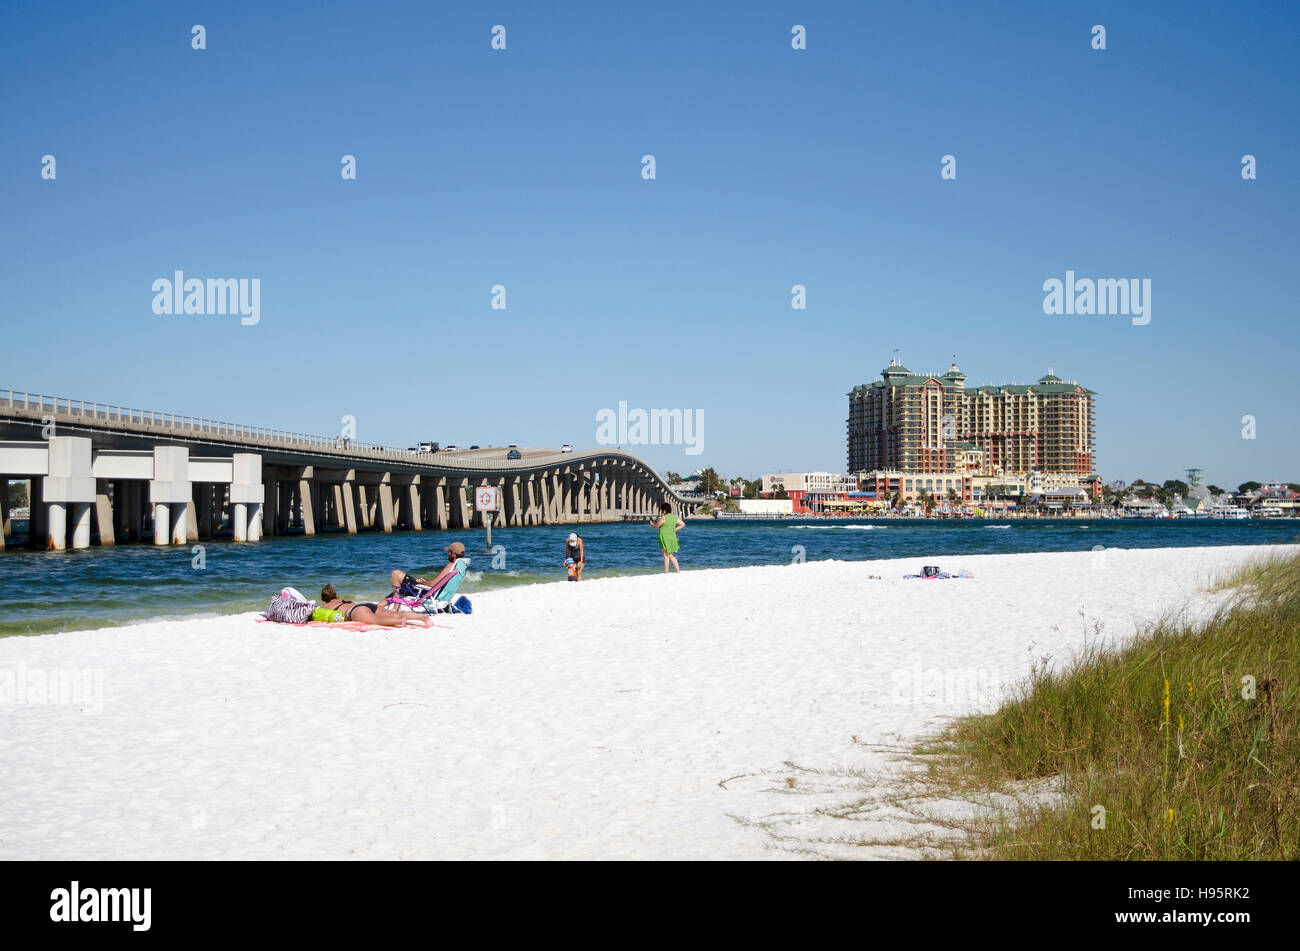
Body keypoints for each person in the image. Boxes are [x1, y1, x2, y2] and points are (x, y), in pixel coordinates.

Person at [318, 584, 430, 628]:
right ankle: (421, 617)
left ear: (323, 598)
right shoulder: (343, 600)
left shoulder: (325, 606)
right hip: (365, 605)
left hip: (355, 612)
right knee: (395, 613)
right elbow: (352, 603)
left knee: (377, 620)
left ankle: (401, 621)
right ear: (336, 595)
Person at [391, 541, 467, 597]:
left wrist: (421, 582)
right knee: (400, 586)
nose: (448, 553)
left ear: (453, 553)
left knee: (396, 573)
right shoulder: (459, 566)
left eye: (449, 552)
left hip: (427, 594)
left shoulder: (450, 566)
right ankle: (381, 606)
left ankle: (394, 607)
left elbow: (432, 584)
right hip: (439, 595)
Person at [650, 502, 685, 573]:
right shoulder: (674, 517)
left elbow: (656, 527)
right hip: (672, 538)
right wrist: (674, 530)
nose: (662, 512)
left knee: (666, 556)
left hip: (665, 538)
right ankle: (678, 571)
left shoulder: (663, 518)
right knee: (671, 555)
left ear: (664, 510)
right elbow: (683, 524)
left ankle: (666, 572)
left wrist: (652, 524)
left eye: (662, 510)